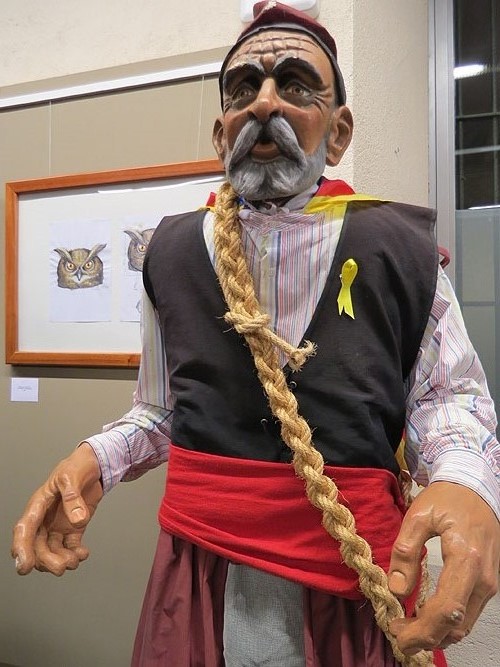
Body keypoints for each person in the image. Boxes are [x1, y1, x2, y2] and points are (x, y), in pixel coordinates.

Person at [12, 3, 499, 666]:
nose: (265, 102)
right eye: (243, 89)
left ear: (338, 132)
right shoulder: (170, 252)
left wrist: (467, 482)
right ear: (222, 133)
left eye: (295, 84)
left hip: (352, 573)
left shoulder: (400, 251)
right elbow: (162, 409)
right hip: (201, 571)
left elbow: (449, 399)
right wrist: (94, 460)